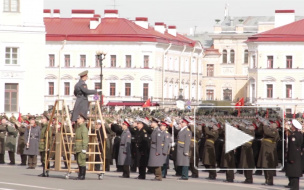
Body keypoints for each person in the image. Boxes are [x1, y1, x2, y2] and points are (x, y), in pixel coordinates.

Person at [285, 119, 303, 190]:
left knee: (294, 174)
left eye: (292, 126)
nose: (291, 127)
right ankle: (293, 187)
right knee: (293, 174)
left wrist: (291, 158)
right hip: (297, 156)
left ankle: (294, 188)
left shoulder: (294, 136)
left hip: (294, 156)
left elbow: (292, 148)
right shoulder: (299, 134)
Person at [74, 114, 89, 180]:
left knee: (82, 161)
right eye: (77, 118)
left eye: (79, 118)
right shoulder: (79, 127)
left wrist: (84, 148)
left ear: (83, 120)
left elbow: (85, 139)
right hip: (77, 147)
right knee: (79, 161)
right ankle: (80, 174)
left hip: (81, 147)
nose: (77, 119)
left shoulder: (83, 128)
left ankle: (82, 175)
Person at [38, 113, 52, 177]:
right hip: (41, 144)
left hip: (45, 144)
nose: (41, 119)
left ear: (46, 119)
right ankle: (44, 171)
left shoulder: (47, 127)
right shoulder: (43, 126)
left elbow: (48, 137)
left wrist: (48, 146)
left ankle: (46, 172)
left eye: (43, 118)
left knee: (45, 159)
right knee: (43, 159)